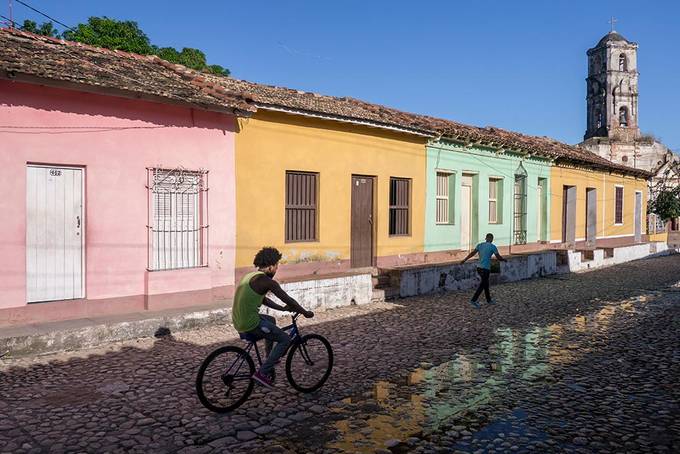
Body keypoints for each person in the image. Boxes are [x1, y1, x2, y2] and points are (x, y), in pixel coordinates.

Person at [232, 247, 314, 388]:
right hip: (250, 324)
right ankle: (262, 373)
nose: (276, 269)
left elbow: (263, 300)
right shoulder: (267, 282)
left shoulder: (249, 277)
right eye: (276, 266)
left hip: (238, 320)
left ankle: (269, 359)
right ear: (270, 266)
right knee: (285, 339)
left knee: (271, 320)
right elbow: (288, 300)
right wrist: (305, 312)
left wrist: (281, 309)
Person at [460, 233, 507, 308]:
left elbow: (472, 253)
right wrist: (504, 259)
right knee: (483, 285)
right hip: (486, 269)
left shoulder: (480, 245)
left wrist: (464, 260)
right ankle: (473, 300)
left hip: (479, 268)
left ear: (486, 238)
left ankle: (489, 300)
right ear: (491, 239)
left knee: (486, 284)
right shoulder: (493, 247)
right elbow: (498, 257)